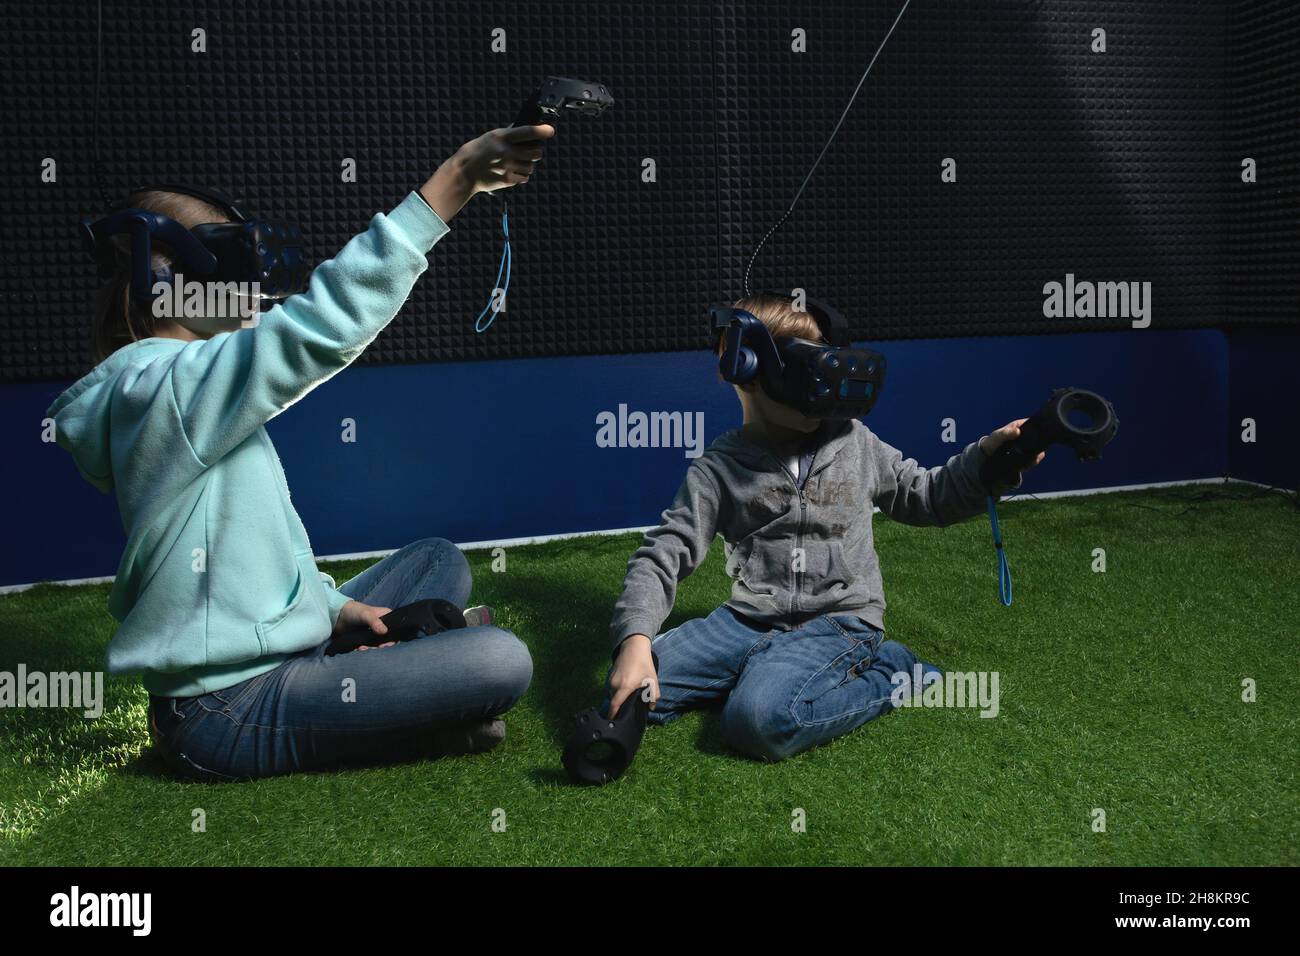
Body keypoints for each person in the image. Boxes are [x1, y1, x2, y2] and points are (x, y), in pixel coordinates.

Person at [45, 123, 557, 780]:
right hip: (224, 709)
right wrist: (454, 181)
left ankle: (356, 674)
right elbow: (323, 326)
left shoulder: (188, 388)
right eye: (233, 260)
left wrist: (343, 610)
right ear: (166, 275)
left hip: (278, 649)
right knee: (500, 662)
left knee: (438, 562)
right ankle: (392, 715)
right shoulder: (161, 392)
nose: (255, 280)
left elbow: (257, 559)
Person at [604, 292, 1044, 761]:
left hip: (836, 621)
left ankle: (897, 671)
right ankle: (762, 669)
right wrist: (634, 643)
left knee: (756, 721)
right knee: (633, 689)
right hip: (747, 620)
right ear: (743, 366)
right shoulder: (719, 468)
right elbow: (664, 552)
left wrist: (987, 462)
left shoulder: (856, 443)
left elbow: (928, 496)